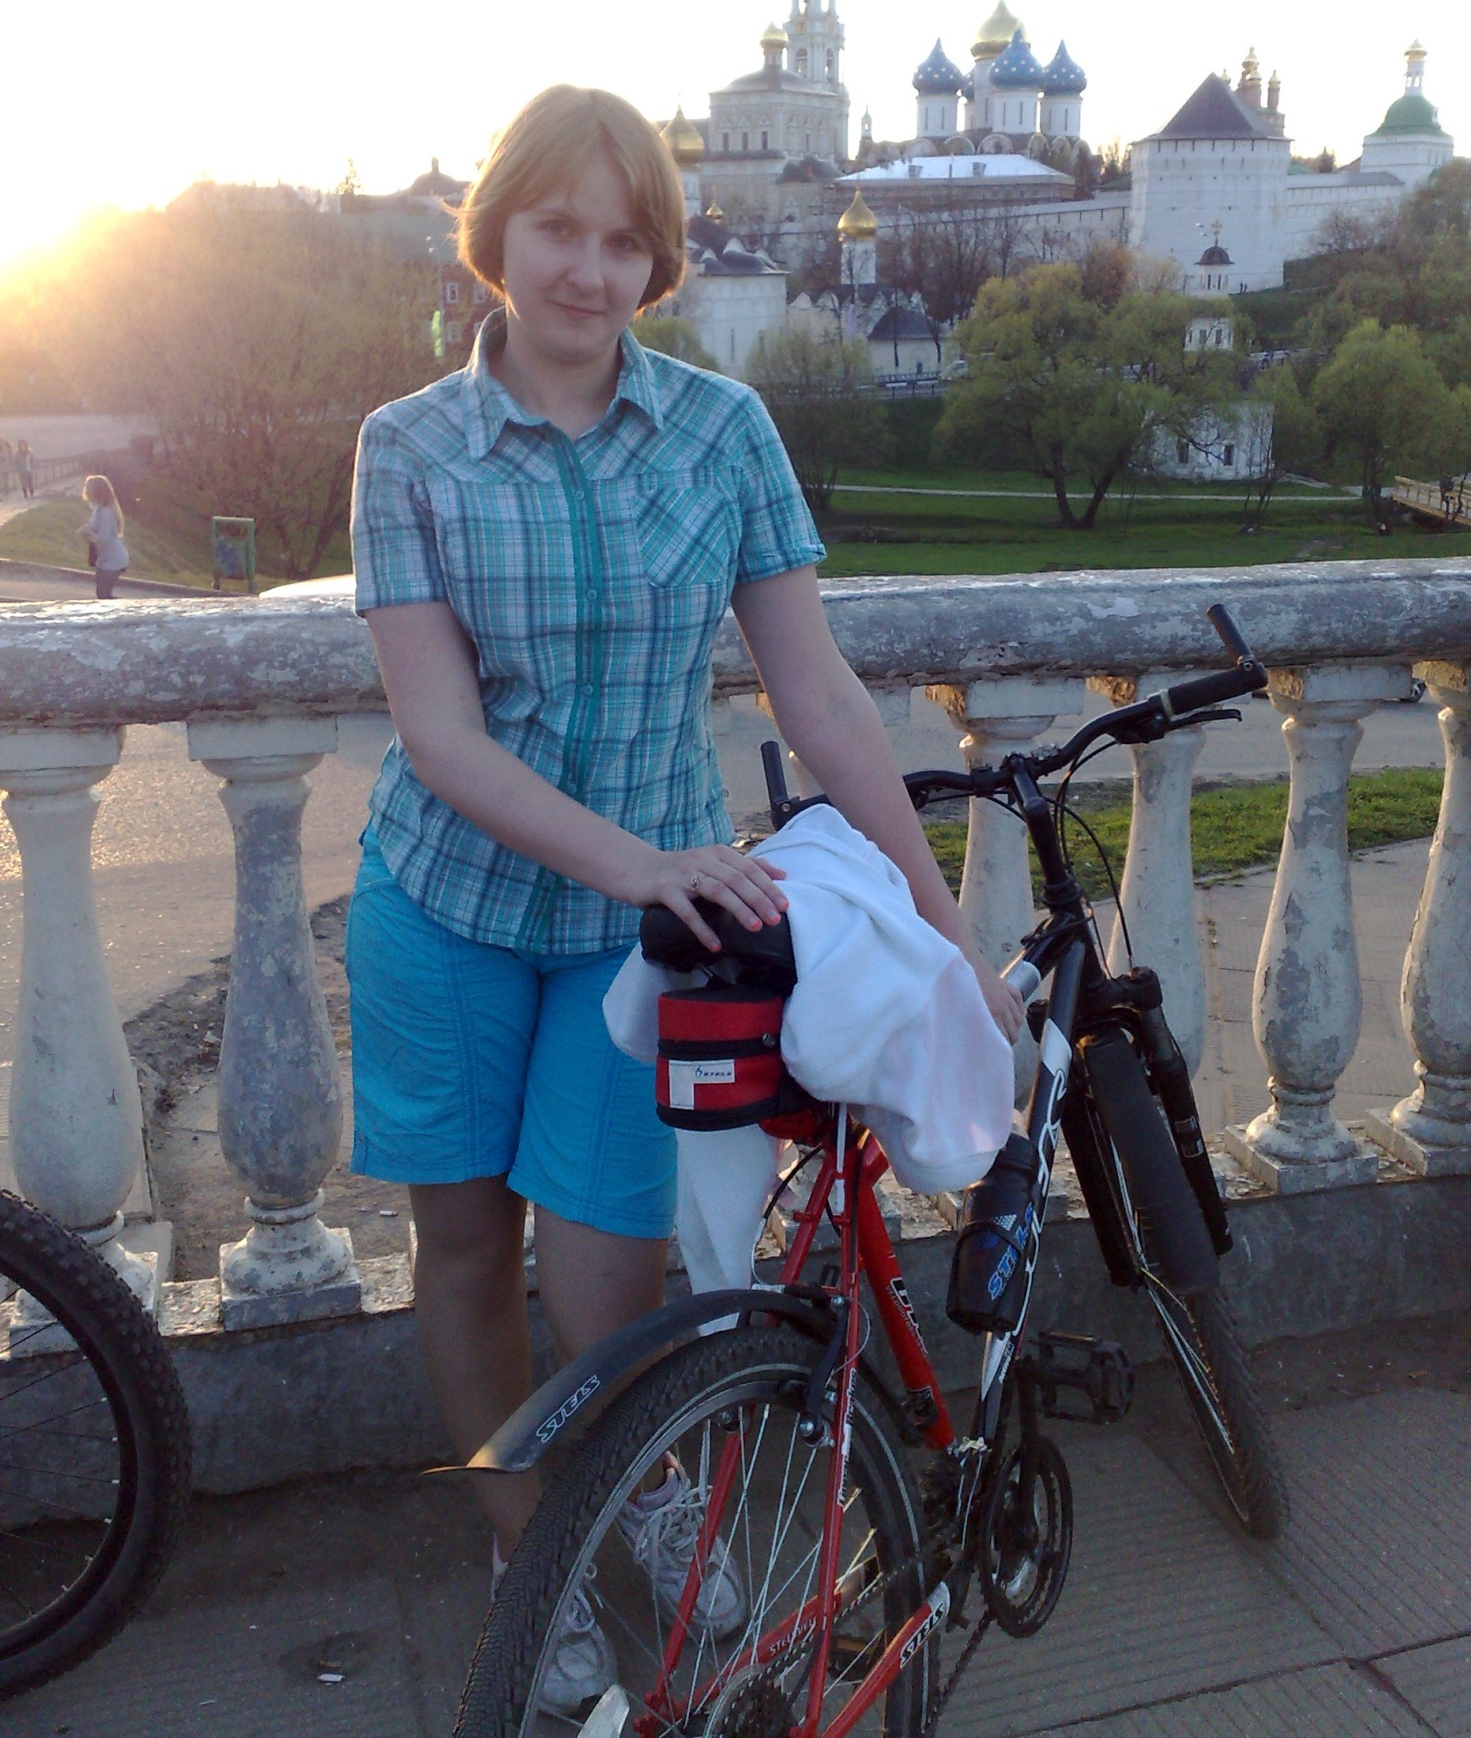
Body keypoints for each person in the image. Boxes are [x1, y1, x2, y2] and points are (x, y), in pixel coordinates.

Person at [347, 84, 1023, 1705]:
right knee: (463, 1251)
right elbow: (439, 735)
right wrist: (645, 858)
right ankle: (529, 1546)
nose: (589, 269)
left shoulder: (724, 432)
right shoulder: (410, 448)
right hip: (445, 911)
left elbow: (821, 699)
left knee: (614, 1279)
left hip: (639, 947)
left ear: (659, 258)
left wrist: (944, 930)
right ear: (495, 234)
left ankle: (638, 1492)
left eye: (625, 239)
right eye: (557, 229)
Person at [79, 474, 129, 599]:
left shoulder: (106, 513)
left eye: (89, 489)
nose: (86, 492)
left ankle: (128, 607)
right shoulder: (97, 508)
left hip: (114, 559)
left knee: (104, 595)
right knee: (101, 594)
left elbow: (104, 540)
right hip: (103, 557)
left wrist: (88, 532)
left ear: (97, 492)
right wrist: (85, 531)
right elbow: (94, 529)